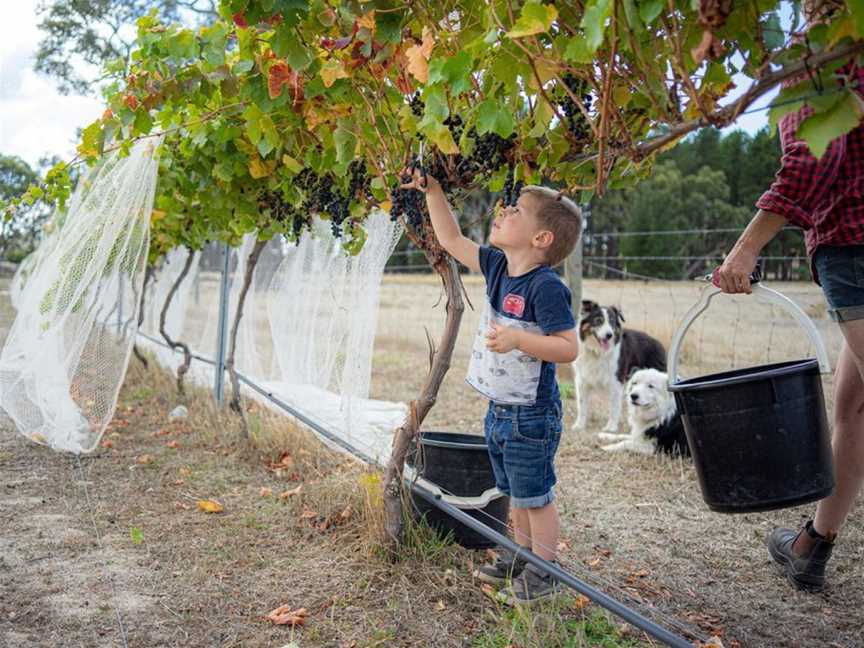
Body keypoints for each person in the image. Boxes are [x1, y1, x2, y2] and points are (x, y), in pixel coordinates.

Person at [713, 8, 862, 591]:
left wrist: (746, 250)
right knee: (852, 407)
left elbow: (813, 154)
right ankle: (811, 547)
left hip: (855, 242)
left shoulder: (824, 44)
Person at [400, 168, 581, 604]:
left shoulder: (546, 287)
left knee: (535, 497)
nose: (502, 211)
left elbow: (568, 348)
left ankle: (545, 572)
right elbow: (451, 240)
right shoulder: (499, 266)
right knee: (514, 493)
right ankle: (519, 558)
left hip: (531, 413)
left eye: (515, 211)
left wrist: (520, 339)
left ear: (541, 239)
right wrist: (434, 190)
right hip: (500, 409)